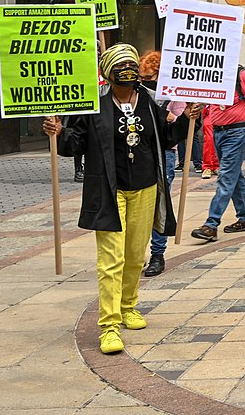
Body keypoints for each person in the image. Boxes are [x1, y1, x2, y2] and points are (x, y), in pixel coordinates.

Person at [44, 44, 198, 354]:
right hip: (109, 192)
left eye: (131, 64)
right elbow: (75, 144)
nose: (128, 71)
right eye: (121, 66)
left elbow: (166, 139)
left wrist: (184, 120)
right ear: (108, 73)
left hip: (145, 187)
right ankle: (109, 325)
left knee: (135, 255)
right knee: (110, 260)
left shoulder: (151, 104)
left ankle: (129, 306)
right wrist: (58, 132)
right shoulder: (93, 106)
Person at [190, 66, 245, 243]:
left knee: (226, 176)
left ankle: (211, 224)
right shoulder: (212, 74)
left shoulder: (242, 76)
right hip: (218, 132)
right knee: (235, 176)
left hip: (237, 132)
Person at [139, 51, 187, 277]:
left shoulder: (174, 93)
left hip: (165, 153)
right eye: (142, 78)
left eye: (149, 78)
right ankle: (136, 254)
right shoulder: (137, 94)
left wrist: (175, 116)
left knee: (160, 204)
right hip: (142, 152)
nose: (144, 83)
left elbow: (175, 123)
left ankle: (158, 253)